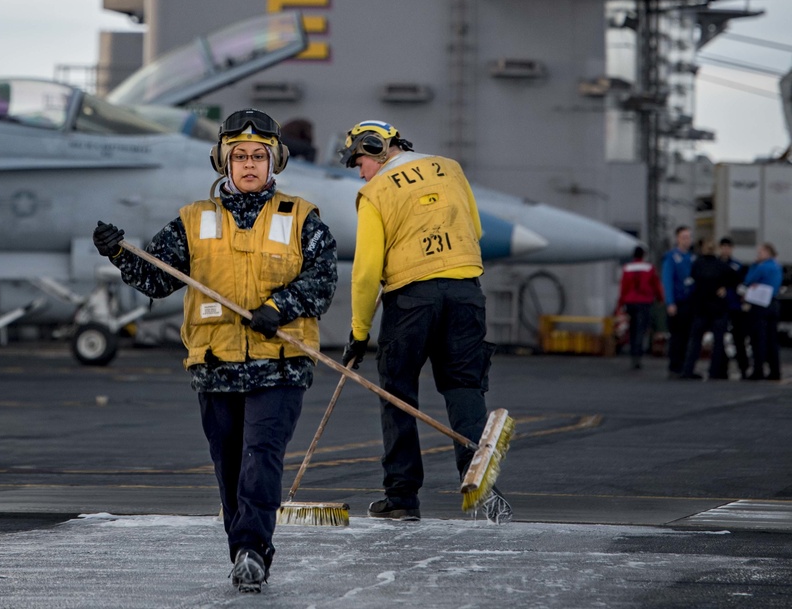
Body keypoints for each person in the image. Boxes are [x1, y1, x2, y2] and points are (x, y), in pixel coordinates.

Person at [93, 108, 337, 593]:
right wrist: (121, 253)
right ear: (223, 161)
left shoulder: (301, 217)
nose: (249, 164)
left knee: (259, 456)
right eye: (239, 155)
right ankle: (242, 553)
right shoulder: (194, 220)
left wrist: (279, 306)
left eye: (259, 156)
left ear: (276, 162)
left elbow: (323, 280)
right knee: (228, 465)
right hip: (215, 366)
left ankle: (253, 550)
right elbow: (157, 279)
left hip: (279, 365)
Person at [338, 119, 508, 523]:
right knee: (465, 387)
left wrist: (359, 334)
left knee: (398, 394)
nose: (359, 170)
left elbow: (364, 273)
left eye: (359, 160)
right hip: (467, 290)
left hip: (412, 299)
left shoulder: (374, 192)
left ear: (374, 148)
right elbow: (476, 228)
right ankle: (482, 489)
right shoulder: (450, 168)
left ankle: (401, 498)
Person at [681, 240, 729, 380]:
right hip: (718, 308)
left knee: (695, 340)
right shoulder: (721, 266)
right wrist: (723, 287)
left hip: (701, 307)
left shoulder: (697, 265)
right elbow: (735, 278)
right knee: (718, 342)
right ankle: (714, 371)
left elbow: (691, 283)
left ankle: (688, 369)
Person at [616, 244, 663, 369]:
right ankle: (638, 355)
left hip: (630, 301)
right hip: (644, 302)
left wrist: (620, 304)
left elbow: (623, 288)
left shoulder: (627, 268)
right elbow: (656, 284)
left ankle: (633, 354)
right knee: (641, 330)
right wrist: (660, 298)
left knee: (632, 329)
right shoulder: (649, 268)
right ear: (643, 255)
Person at [743, 242, 783, 382]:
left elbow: (748, 280)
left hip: (760, 305)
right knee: (772, 339)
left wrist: (754, 265)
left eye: (760, 253)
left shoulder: (761, 267)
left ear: (767, 252)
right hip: (773, 304)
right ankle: (775, 371)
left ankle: (758, 370)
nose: (757, 255)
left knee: (758, 339)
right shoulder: (777, 267)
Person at [661, 225, 695, 376]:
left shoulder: (692, 258)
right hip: (678, 301)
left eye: (688, 237)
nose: (686, 241)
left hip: (689, 302)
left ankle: (683, 364)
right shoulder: (671, 257)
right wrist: (670, 302)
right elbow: (667, 280)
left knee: (687, 335)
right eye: (684, 237)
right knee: (677, 335)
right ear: (677, 239)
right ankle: (674, 365)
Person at [717, 237, 750, 379]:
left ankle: (743, 367)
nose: (726, 249)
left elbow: (742, 284)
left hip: (735, 306)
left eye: (728, 247)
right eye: (723, 247)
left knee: (739, 338)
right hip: (721, 306)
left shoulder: (737, 265)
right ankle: (721, 368)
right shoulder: (716, 264)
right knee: (721, 339)